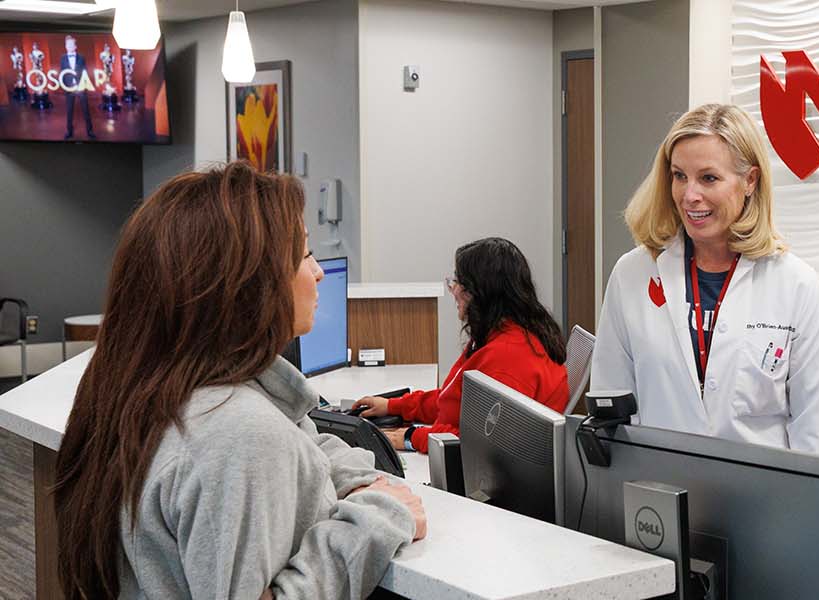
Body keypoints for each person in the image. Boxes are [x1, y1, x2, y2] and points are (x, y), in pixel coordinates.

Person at [52, 162, 426, 599]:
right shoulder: (240, 434)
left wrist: (358, 482)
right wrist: (378, 520)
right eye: (304, 254)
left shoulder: (157, 394)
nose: (319, 271)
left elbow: (302, 439)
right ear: (249, 283)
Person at [590, 103, 819, 454]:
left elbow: (816, 429)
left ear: (750, 180)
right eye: (679, 176)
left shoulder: (796, 285)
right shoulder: (633, 274)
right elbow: (610, 403)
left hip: (761, 497)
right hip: (658, 487)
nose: (690, 195)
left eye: (708, 178)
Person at [351, 237, 569, 452]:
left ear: (480, 292)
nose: (452, 290)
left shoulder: (507, 358)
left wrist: (411, 437)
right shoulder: (498, 333)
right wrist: (394, 406)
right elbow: (454, 399)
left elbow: (483, 442)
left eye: (458, 282)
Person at [59, 36, 94, 139]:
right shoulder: (63, 58)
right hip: (69, 89)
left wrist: (84, 86)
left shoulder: (81, 57)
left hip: (81, 87)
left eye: (71, 44)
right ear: (65, 46)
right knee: (69, 111)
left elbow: (85, 72)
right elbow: (62, 74)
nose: (69, 46)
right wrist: (65, 88)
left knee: (86, 110)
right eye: (67, 45)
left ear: (75, 46)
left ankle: (90, 131)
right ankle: (69, 131)